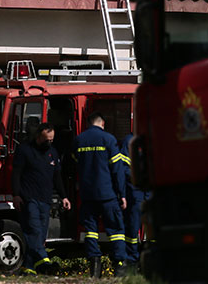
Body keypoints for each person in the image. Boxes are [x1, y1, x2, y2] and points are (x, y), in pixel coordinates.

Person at [12, 122, 72, 275]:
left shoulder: (53, 152)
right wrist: (16, 195)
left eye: (52, 140)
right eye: (46, 140)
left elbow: (57, 177)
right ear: (38, 137)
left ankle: (28, 268)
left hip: (45, 200)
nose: (49, 143)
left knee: (40, 235)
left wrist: (64, 196)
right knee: (34, 230)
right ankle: (45, 261)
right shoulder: (25, 150)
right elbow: (16, 174)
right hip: (29, 198)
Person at [75, 112, 127, 278]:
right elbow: (117, 170)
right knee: (116, 230)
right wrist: (122, 194)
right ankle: (119, 266)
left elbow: (74, 166)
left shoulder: (79, 140)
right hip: (107, 195)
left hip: (87, 195)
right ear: (102, 123)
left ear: (89, 123)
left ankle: (95, 266)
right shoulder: (109, 139)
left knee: (91, 231)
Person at [120, 133, 149, 270]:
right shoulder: (129, 141)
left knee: (154, 224)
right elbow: (124, 167)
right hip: (136, 189)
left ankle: (150, 259)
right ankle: (132, 259)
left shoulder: (157, 136)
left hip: (151, 187)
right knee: (133, 225)